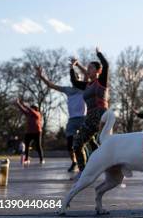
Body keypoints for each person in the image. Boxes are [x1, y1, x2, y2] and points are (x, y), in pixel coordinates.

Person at [36, 62, 86, 172]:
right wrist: (41, 76)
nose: (76, 80)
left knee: (85, 142)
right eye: (74, 78)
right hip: (72, 120)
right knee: (69, 144)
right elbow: (51, 85)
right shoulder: (68, 90)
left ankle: (87, 162)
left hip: (83, 118)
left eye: (78, 78)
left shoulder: (84, 88)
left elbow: (87, 74)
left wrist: (77, 64)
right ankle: (74, 162)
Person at [72, 47, 109, 176]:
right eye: (87, 68)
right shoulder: (87, 85)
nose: (88, 70)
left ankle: (112, 166)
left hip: (101, 115)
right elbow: (75, 83)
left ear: (98, 71)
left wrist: (99, 53)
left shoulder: (101, 81)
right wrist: (72, 68)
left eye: (91, 68)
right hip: (89, 117)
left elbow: (106, 64)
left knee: (101, 144)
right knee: (77, 144)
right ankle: (84, 172)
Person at [14, 98, 44, 164]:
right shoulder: (28, 114)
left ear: (35, 109)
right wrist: (18, 103)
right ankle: (26, 159)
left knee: (38, 146)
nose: (30, 110)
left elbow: (31, 111)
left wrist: (26, 105)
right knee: (27, 146)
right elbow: (22, 110)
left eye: (32, 108)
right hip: (29, 132)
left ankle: (41, 159)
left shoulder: (38, 114)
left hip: (37, 132)